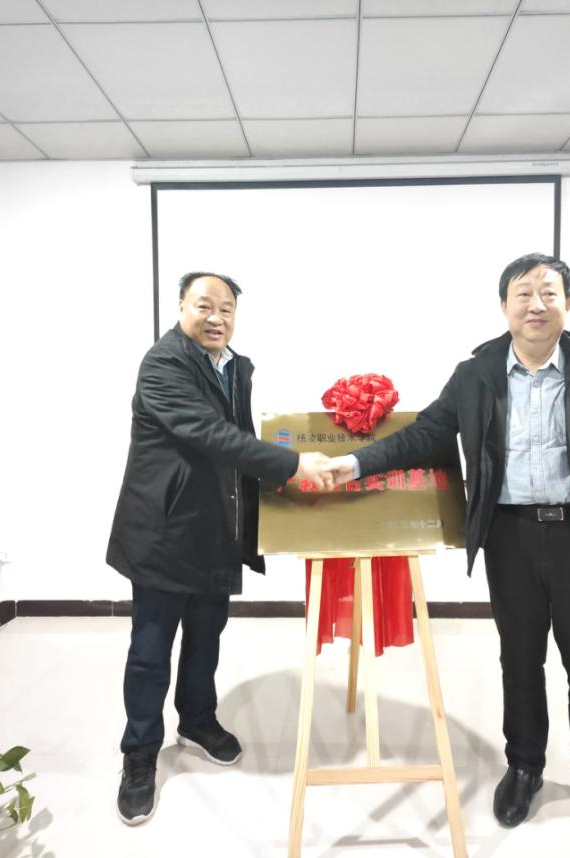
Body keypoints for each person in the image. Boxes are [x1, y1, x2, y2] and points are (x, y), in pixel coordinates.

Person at [328, 253, 570, 858]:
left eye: (549, 292)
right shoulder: (476, 373)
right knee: (519, 659)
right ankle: (525, 766)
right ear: (504, 305)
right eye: (523, 293)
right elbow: (425, 434)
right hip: (509, 536)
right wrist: (354, 462)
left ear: (568, 303)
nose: (536, 304)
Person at [107, 271, 332, 826]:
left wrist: (278, 487)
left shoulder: (235, 367)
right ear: (181, 307)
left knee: (206, 637)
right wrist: (291, 465)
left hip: (215, 528)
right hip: (163, 531)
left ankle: (197, 719)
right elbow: (211, 435)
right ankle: (140, 753)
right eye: (204, 305)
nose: (216, 318)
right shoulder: (163, 365)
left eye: (226, 309)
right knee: (150, 650)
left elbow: (240, 440)